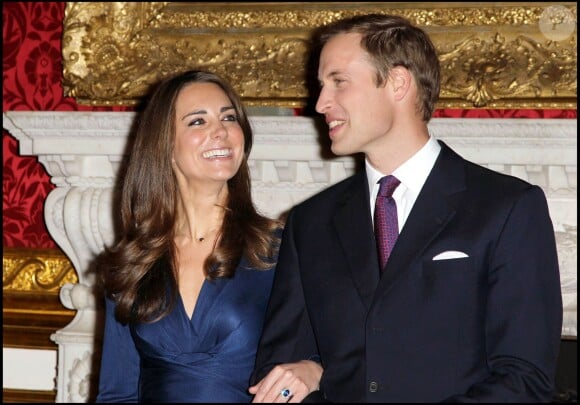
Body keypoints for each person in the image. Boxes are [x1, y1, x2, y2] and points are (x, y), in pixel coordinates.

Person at [250, 14, 563, 403]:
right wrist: (309, 372)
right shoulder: (310, 222)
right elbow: (278, 368)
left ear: (398, 83)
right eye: (321, 86)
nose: (320, 103)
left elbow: (524, 379)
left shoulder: (508, 208)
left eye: (339, 82)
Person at [95, 70, 282, 402]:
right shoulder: (132, 263)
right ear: (165, 145)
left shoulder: (279, 250)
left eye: (229, 118)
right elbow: (117, 393)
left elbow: (329, 358)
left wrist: (310, 373)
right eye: (198, 122)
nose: (221, 131)